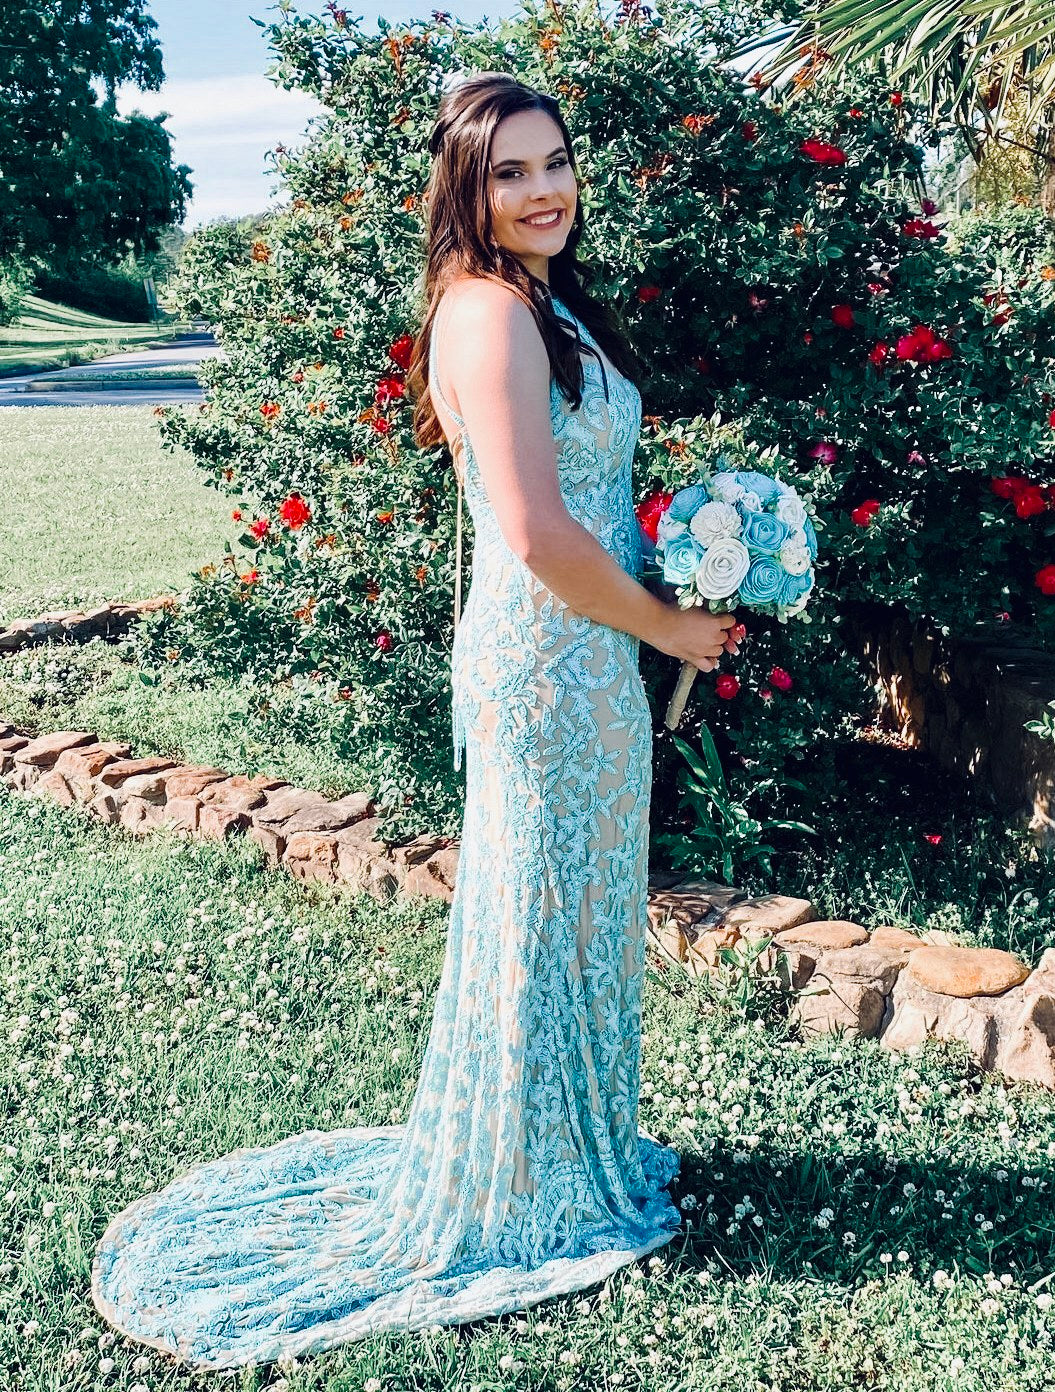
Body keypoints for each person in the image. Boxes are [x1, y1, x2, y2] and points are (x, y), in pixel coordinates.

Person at [89, 70, 742, 1373]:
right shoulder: (488, 316)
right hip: (552, 652)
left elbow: (588, 504)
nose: (542, 187)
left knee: (577, 909)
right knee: (533, 917)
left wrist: (686, 572)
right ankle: (518, 1187)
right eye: (508, 171)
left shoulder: (545, 302)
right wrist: (667, 627)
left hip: (589, 647)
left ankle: (566, 1153)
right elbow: (539, 532)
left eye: (553, 161)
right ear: (463, 186)